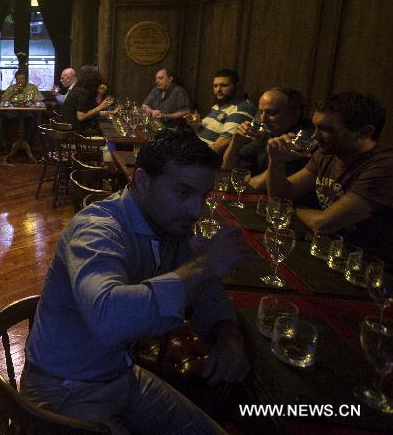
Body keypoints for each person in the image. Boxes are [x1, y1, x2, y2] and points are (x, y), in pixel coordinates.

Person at [21, 129, 251, 433]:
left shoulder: (169, 226)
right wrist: (207, 265)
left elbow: (204, 288)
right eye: (183, 193)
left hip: (121, 373)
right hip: (65, 389)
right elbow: (108, 319)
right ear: (143, 181)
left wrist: (228, 333)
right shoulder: (97, 229)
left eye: (203, 196)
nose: (196, 210)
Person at [266, 92, 393, 262]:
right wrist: (276, 161)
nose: (315, 136)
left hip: (365, 265)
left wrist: (293, 210)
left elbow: (323, 224)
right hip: (327, 251)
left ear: (364, 132)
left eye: (327, 129)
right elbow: (281, 195)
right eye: (315, 127)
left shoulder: (384, 166)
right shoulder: (328, 152)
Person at [222, 86, 311, 191]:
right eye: (261, 112)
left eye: (272, 113)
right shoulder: (268, 132)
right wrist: (235, 142)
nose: (263, 119)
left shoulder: (303, 138)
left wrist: (239, 182)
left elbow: (257, 185)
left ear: (295, 113)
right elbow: (226, 170)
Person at [194, 69, 256, 155]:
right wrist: (195, 125)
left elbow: (219, 147)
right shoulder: (219, 105)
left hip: (202, 159)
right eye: (215, 86)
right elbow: (201, 134)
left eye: (224, 85)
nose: (218, 90)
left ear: (237, 86)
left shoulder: (242, 107)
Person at [61, 64, 114, 130]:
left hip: (73, 129)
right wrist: (101, 106)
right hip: (76, 133)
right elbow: (81, 117)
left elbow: (92, 109)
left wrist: (100, 94)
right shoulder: (82, 92)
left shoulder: (78, 89)